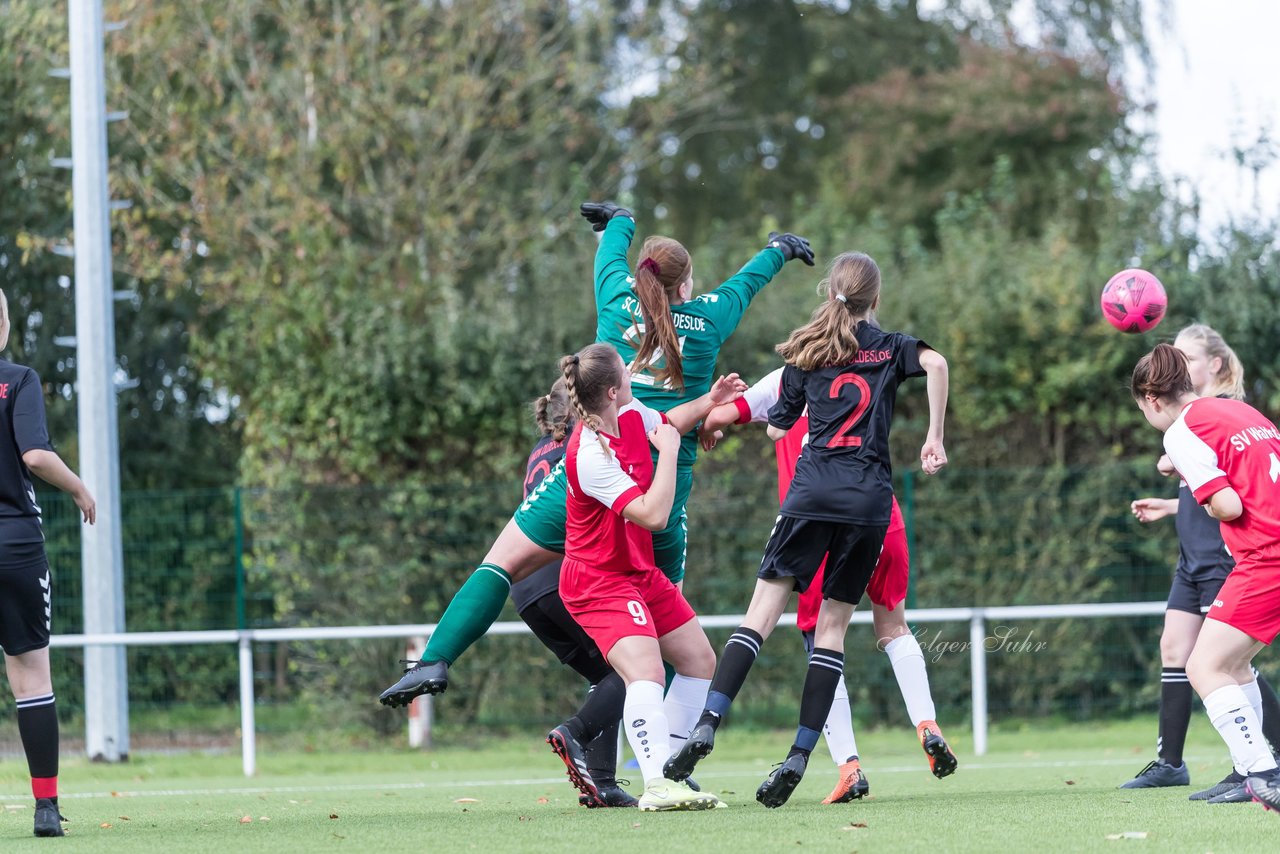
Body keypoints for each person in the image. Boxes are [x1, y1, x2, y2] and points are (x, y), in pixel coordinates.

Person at [379, 204, 812, 704]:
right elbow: (745, 283)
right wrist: (778, 249)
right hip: (660, 494)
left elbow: (608, 258)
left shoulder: (617, 301)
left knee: (499, 565)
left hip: (590, 475)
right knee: (663, 633)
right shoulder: (710, 318)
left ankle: (436, 659)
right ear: (686, 285)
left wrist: (620, 221)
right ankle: (662, 760)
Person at [663, 252, 949, 808]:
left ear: (829, 294)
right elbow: (936, 366)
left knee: (759, 619)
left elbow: (776, 423)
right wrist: (934, 435)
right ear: (877, 300)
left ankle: (707, 725)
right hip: (870, 505)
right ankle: (798, 755)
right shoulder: (892, 347)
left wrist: (761, 422)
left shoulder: (805, 355)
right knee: (835, 633)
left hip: (810, 495)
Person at [698, 365, 956, 804]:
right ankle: (927, 723)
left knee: (822, 639)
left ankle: (849, 767)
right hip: (879, 511)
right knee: (894, 626)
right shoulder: (874, 361)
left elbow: (718, 417)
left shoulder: (787, 376)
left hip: (818, 523)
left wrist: (710, 421)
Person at [547, 343, 744, 811]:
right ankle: (656, 783)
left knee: (698, 660)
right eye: (628, 371)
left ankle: (671, 771)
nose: (636, 375)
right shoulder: (589, 453)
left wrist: (711, 401)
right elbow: (654, 515)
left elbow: (668, 423)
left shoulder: (629, 411)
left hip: (637, 571)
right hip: (598, 581)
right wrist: (671, 455)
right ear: (612, 391)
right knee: (647, 672)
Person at [1124, 324, 1280, 800]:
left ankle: (1264, 774)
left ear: (1152, 400)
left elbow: (1229, 506)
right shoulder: (1238, 408)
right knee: (1232, 666)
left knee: (1203, 666)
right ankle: (1256, 770)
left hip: (1265, 558)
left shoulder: (1181, 433)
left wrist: (1206, 495)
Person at [509, 380, 633, 807]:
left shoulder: (540, 449)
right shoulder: (584, 444)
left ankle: (602, 782)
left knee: (606, 675)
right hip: (562, 575)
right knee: (631, 671)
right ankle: (573, 733)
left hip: (524, 588)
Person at [0, 288, 96, 837]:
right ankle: (44, 808)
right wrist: (79, 487)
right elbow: (34, 455)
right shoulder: (18, 379)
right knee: (32, 674)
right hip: (14, 544)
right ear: (5, 324)